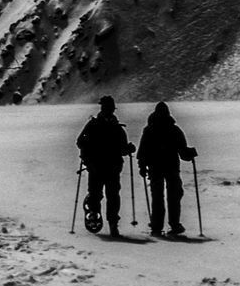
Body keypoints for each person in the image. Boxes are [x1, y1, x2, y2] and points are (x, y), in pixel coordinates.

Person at [76, 95, 134, 236]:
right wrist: (128, 149)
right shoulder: (114, 127)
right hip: (105, 167)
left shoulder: (95, 125)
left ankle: (101, 219)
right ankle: (108, 222)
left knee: (105, 195)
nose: (109, 110)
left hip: (101, 167)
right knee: (107, 195)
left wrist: (86, 156)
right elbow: (123, 149)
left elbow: (80, 142)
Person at [137, 101, 196, 237]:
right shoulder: (174, 130)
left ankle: (157, 227)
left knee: (158, 197)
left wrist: (142, 166)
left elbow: (143, 152)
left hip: (155, 167)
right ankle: (174, 225)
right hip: (171, 167)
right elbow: (183, 152)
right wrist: (190, 154)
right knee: (174, 196)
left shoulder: (149, 130)